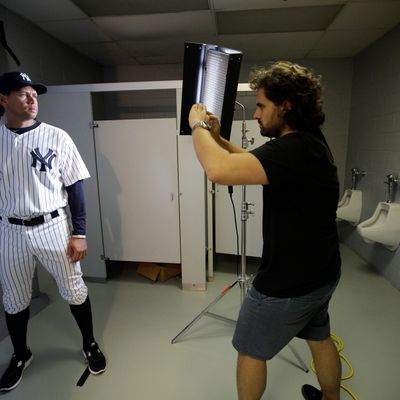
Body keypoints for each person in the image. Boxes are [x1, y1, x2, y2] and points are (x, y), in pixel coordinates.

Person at [189, 61, 342, 400]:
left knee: (250, 351)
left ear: (285, 106)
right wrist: (217, 137)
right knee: (319, 337)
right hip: (322, 273)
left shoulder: (295, 149)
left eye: (261, 106)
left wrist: (197, 124)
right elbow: (252, 160)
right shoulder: (309, 143)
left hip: (286, 284)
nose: (256, 114)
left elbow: (216, 170)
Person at [0, 71, 106, 392]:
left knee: (74, 289)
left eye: (34, 93)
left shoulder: (56, 136)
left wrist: (80, 232)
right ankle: (21, 355)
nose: (32, 98)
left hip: (53, 226)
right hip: (10, 230)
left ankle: (89, 343)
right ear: (3, 99)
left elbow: (75, 187)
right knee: (14, 299)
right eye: (22, 93)